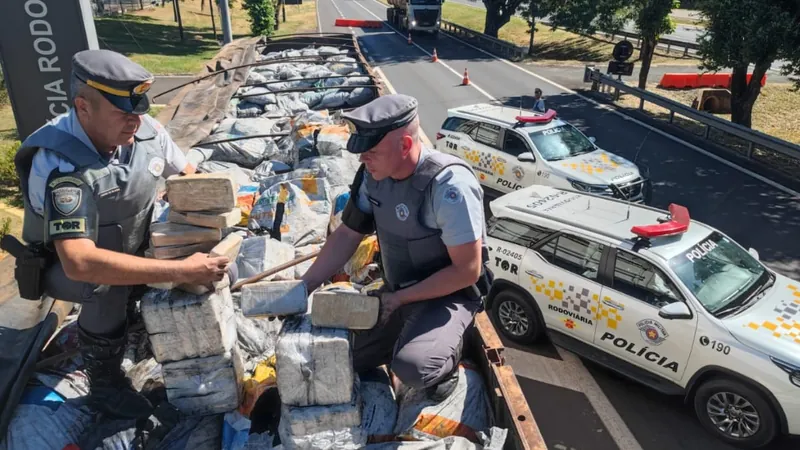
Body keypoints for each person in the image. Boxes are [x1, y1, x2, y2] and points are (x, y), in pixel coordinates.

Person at [13, 49, 231, 419]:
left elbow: (190, 179)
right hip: (70, 267)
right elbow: (81, 262)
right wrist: (181, 270)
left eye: (139, 112)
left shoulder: (147, 131)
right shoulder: (59, 163)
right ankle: (105, 383)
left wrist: (212, 226)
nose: (135, 122)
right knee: (104, 290)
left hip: (133, 243)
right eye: (122, 113)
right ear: (83, 107)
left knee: (206, 258)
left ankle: (138, 319)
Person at [301, 94, 493, 400]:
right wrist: (305, 286)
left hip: (447, 297)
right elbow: (348, 233)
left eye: (372, 151)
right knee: (338, 355)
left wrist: (400, 298)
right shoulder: (373, 175)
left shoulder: (448, 187)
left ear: (405, 145)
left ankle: (453, 350)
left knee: (414, 369)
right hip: (395, 293)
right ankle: (406, 339)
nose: (363, 158)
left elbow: (467, 271)